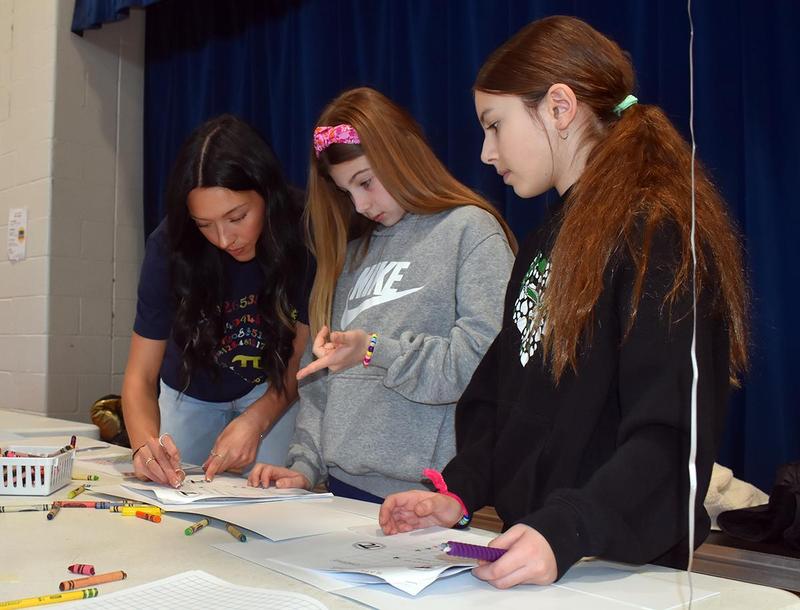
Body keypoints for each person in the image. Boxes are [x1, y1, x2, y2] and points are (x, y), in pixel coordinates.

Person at [379, 16, 750, 588]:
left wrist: (569, 528)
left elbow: (671, 437)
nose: (485, 152)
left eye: (495, 125)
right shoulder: (546, 239)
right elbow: (509, 391)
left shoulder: (660, 233)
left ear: (559, 106)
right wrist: (459, 491)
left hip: (624, 570)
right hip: (543, 556)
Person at [247, 87, 517, 502]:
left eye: (365, 182)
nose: (358, 205)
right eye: (345, 191)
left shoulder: (469, 231)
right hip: (340, 491)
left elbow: (483, 367)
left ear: (400, 154)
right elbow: (319, 386)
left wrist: (374, 349)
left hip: (429, 498)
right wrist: (303, 466)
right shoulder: (351, 256)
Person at [122, 114, 312, 487]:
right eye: (205, 225)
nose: (225, 239)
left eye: (237, 217)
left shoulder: (304, 232)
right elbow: (140, 375)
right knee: (174, 495)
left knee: (269, 500)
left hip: (272, 385)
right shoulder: (169, 245)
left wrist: (257, 420)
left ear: (267, 193)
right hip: (189, 389)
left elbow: (300, 361)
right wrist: (143, 447)